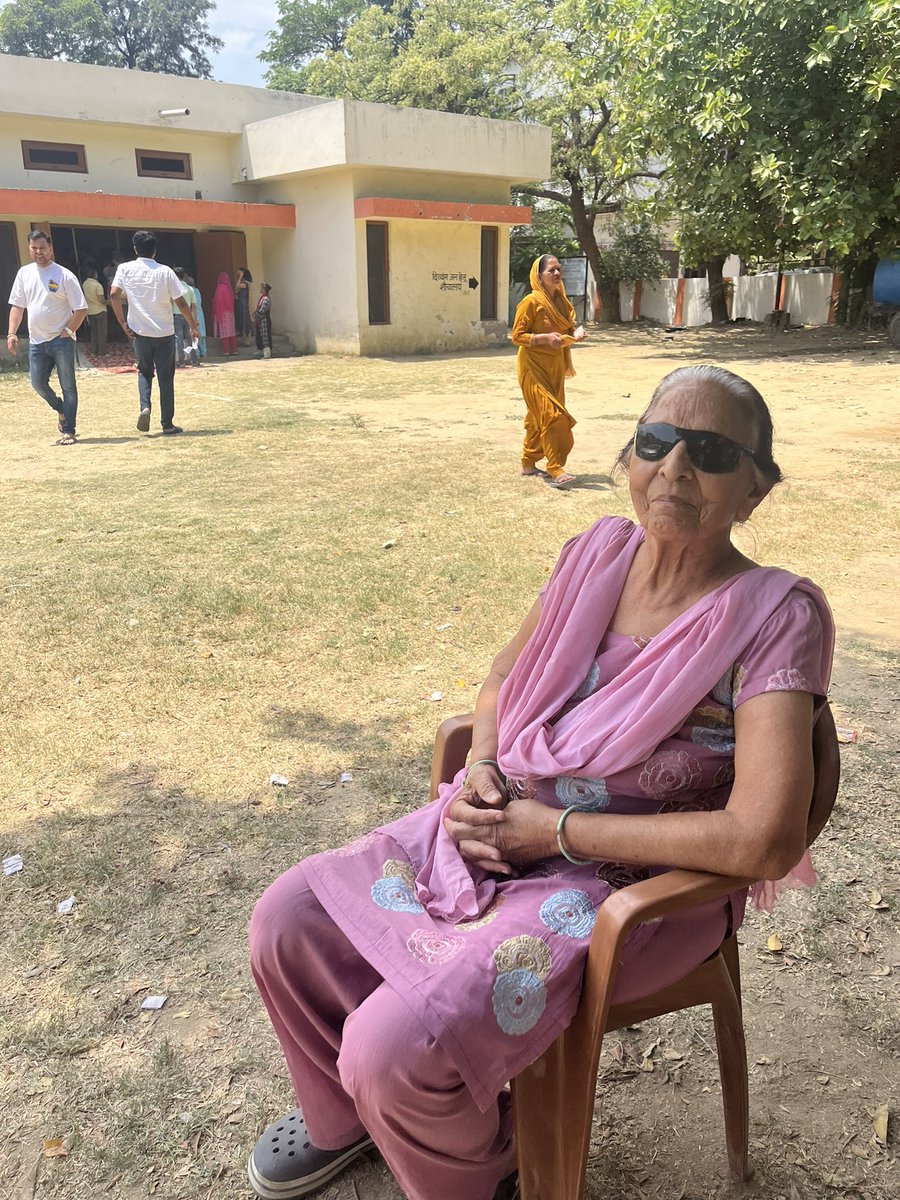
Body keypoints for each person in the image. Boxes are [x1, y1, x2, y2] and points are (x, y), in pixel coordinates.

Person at [247, 365, 834, 1200]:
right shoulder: (596, 552)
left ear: (756, 491)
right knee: (288, 920)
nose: (672, 469)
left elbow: (764, 836)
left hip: (631, 877)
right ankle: (352, 1121)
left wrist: (552, 833)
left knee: (395, 1045)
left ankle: (481, 1174)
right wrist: (484, 763)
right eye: (656, 442)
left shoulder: (775, 617)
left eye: (708, 451)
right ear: (629, 457)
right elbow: (500, 681)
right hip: (509, 812)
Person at [109, 231, 199, 435]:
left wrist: (123, 322)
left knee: (144, 371)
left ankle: (145, 407)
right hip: (164, 332)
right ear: (155, 251)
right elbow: (182, 302)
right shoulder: (165, 271)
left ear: (134, 249)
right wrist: (193, 326)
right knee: (166, 378)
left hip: (139, 332)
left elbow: (114, 294)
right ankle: (167, 423)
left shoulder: (125, 269)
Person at [6, 230, 88, 446]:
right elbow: (17, 306)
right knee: (38, 383)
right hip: (36, 342)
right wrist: (12, 333)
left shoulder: (64, 275)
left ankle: (69, 430)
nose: (39, 252)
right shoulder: (24, 273)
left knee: (68, 385)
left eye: (43, 247)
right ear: (29, 249)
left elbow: (81, 309)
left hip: (61, 340)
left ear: (50, 249)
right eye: (34, 248)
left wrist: (68, 331)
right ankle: (60, 408)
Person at [511, 254, 586, 489]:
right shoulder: (531, 302)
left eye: (558, 269)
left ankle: (528, 462)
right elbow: (517, 336)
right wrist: (544, 338)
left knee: (538, 416)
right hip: (532, 367)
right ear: (539, 277)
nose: (556, 274)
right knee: (552, 414)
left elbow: (569, 327)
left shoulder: (562, 302)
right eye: (551, 270)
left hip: (554, 366)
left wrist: (577, 333)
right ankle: (555, 467)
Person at [82, 267, 109, 358]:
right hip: (100, 310)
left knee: (93, 332)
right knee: (102, 332)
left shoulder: (85, 284)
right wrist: (108, 302)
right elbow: (101, 300)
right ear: (95, 275)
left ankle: (93, 351)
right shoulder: (98, 285)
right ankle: (102, 352)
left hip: (90, 311)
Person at [171, 267, 192, 367]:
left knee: (178, 338)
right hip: (188, 316)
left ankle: (181, 361)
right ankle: (193, 360)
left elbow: (171, 303)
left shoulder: (174, 289)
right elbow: (193, 306)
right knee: (189, 338)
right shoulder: (190, 288)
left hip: (176, 315)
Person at [213, 272, 238, 355]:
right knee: (232, 331)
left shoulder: (220, 288)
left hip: (222, 313)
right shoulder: (229, 288)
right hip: (230, 313)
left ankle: (226, 351)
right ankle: (235, 350)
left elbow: (218, 300)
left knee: (225, 332)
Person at [185, 273, 207, 358]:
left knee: (194, 334)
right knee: (202, 334)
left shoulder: (189, 291)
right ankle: (204, 352)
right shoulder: (197, 290)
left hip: (193, 314)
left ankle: (197, 353)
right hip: (199, 313)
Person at [254, 283, 273, 359]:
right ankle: (261, 350)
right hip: (261, 321)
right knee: (261, 336)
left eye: (262, 288)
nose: (260, 289)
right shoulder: (263, 298)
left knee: (265, 337)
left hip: (264, 320)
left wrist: (256, 315)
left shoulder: (265, 299)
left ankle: (267, 354)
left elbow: (263, 310)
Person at [235, 266, 253, 343]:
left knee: (245, 319)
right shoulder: (242, 282)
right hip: (240, 303)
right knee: (240, 318)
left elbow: (237, 286)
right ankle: (244, 337)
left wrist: (240, 277)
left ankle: (247, 338)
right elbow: (235, 290)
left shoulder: (246, 283)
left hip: (244, 303)